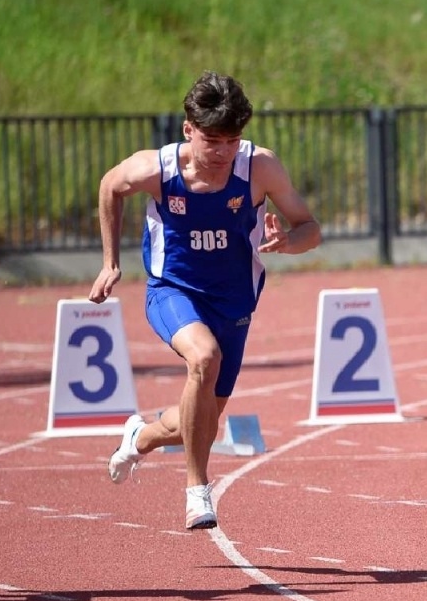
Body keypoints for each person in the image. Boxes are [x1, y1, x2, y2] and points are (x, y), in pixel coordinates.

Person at [89, 72, 321, 529]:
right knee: (203, 357)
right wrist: (110, 261)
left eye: (231, 141)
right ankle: (198, 490)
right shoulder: (156, 169)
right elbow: (109, 187)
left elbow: (310, 228)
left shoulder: (260, 168)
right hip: (172, 290)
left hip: (234, 302)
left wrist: (286, 244)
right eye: (212, 140)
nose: (221, 153)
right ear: (188, 129)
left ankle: (141, 435)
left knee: (203, 418)